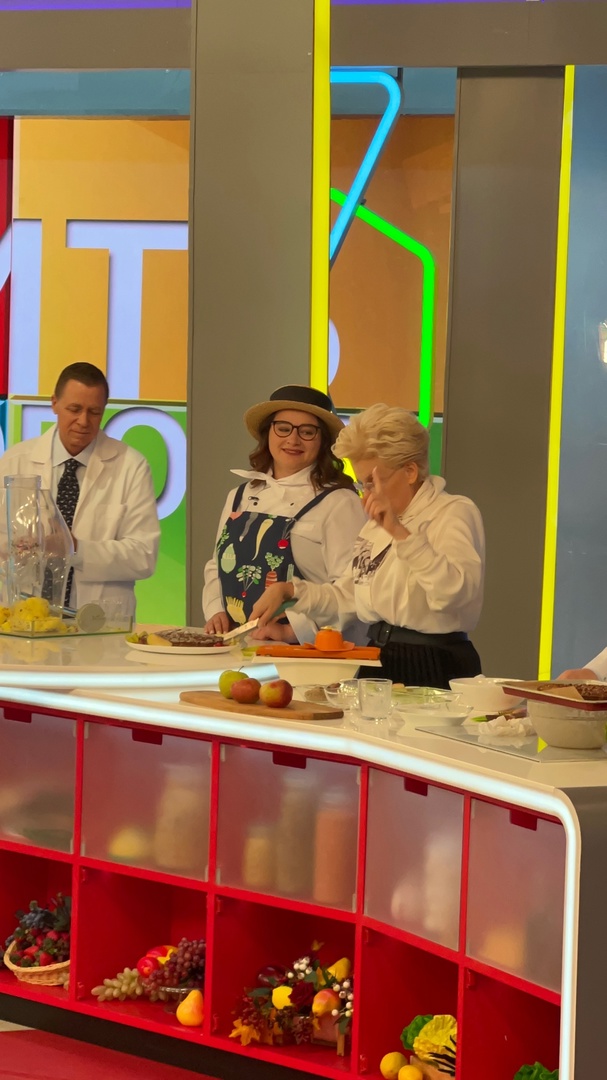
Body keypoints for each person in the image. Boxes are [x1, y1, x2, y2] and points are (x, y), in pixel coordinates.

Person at [251, 403, 485, 688]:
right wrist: (291, 591)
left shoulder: (453, 512)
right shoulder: (375, 527)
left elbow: (454, 593)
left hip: (435, 661)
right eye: (363, 485)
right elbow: (348, 598)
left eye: (373, 483)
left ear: (410, 471)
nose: (366, 496)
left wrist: (399, 533)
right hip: (378, 656)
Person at [203, 384, 367, 643]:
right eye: (283, 428)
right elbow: (216, 565)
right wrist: (216, 610)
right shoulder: (239, 495)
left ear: (324, 441)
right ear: (267, 432)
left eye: (307, 432)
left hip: (308, 651)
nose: (293, 440)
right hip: (238, 645)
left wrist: (292, 632)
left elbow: (354, 591)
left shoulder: (340, 502)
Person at [0, 362, 160, 616]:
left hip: (100, 620)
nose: (83, 421)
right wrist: (21, 547)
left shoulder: (131, 465)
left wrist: (74, 548)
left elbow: (143, 556)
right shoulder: (15, 461)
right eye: (74, 409)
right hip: (24, 616)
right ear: (54, 403)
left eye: (94, 412)